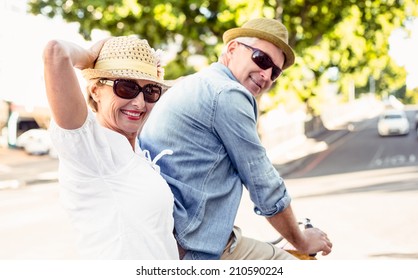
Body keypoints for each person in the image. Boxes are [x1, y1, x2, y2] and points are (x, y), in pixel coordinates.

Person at [139, 18, 333, 260]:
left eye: (276, 72)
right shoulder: (228, 93)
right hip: (193, 247)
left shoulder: (191, 84)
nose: (266, 75)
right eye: (262, 59)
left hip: (167, 237)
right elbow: (264, 185)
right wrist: (302, 241)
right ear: (232, 49)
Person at [42, 36, 179, 259]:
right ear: (95, 90)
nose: (140, 103)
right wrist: (89, 57)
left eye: (150, 91)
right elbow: (56, 52)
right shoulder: (92, 147)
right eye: (126, 87)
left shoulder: (134, 151)